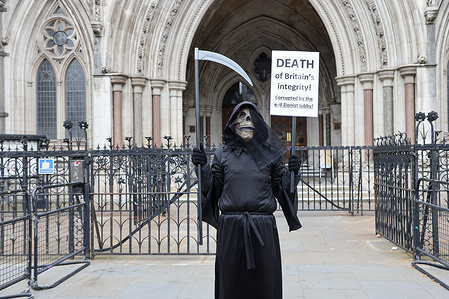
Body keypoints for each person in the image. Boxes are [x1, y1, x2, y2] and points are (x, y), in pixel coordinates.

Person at [192, 101, 302, 299]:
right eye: (242, 116)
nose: (246, 120)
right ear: (234, 123)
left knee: (264, 285)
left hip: (263, 229)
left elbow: (282, 190)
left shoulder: (270, 154)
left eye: (251, 116)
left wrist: (292, 172)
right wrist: (202, 168)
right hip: (231, 229)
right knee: (231, 284)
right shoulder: (223, 153)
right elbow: (212, 188)